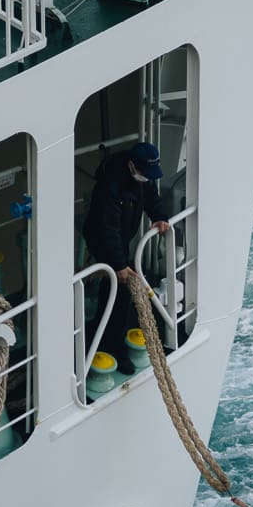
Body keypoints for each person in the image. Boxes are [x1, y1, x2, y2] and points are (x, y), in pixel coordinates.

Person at [81, 141, 170, 374]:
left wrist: (160, 217)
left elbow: (150, 195)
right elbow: (107, 229)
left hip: (120, 237)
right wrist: (119, 265)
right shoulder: (110, 186)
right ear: (131, 165)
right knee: (119, 289)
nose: (146, 177)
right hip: (102, 238)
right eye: (144, 172)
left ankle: (104, 332)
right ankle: (111, 344)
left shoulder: (141, 177)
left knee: (114, 290)